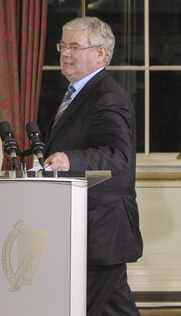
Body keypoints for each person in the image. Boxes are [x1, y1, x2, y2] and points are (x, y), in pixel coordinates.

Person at [43, 16, 143, 316]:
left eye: (75, 47)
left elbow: (118, 156)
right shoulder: (78, 93)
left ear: (101, 53)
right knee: (114, 307)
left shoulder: (108, 97)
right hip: (87, 228)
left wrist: (70, 159)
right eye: (63, 45)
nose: (65, 54)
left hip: (101, 227)